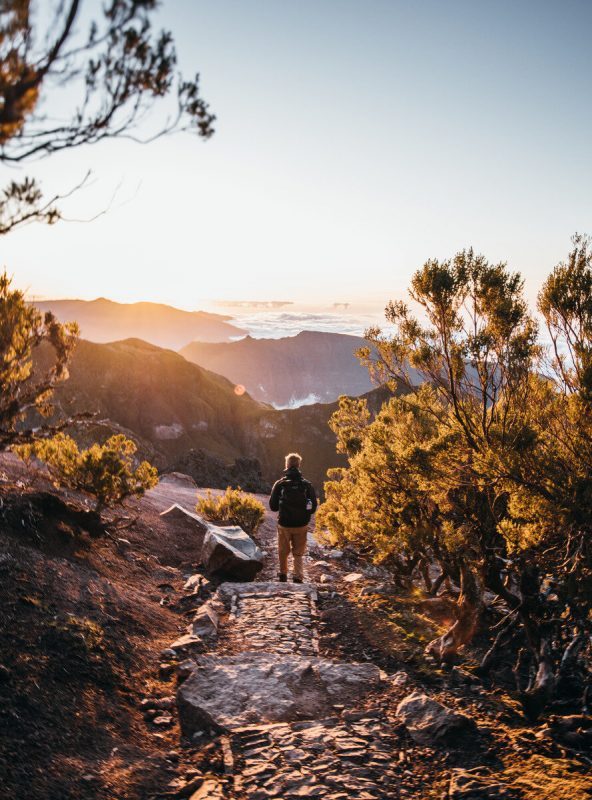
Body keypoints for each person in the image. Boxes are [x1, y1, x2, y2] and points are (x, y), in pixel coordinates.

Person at [269, 452, 317, 583]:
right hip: (301, 525)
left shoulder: (280, 484)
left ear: (287, 465)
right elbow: (313, 508)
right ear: (299, 465)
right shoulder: (307, 485)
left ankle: (283, 575)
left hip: (284, 524)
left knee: (283, 551)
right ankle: (298, 577)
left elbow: (273, 507)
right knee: (298, 553)